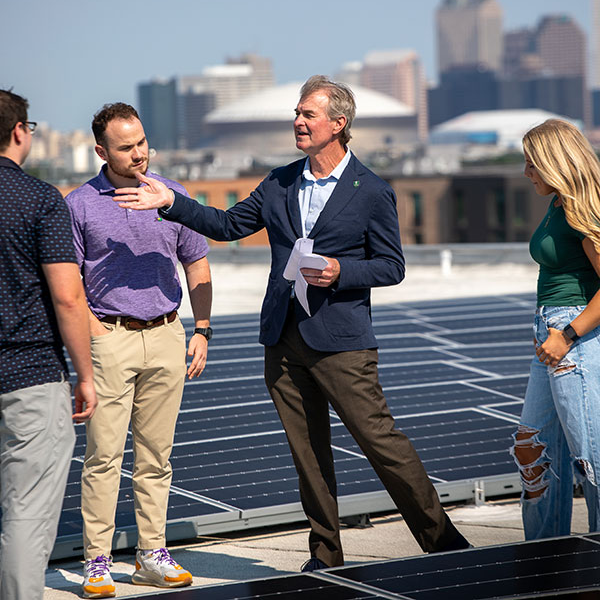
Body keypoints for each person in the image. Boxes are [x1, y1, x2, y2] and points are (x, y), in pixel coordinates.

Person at [114, 76, 470, 569]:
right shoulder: (280, 181)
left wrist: (341, 271)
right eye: (297, 113)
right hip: (283, 341)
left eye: (309, 114)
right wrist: (171, 203)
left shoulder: (372, 191)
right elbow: (227, 225)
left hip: (342, 343)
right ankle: (326, 555)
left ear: (339, 124)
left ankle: (445, 546)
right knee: (309, 457)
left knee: (382, 445)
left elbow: (392, 266)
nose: (298, 121)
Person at [66, 103, 212, 598]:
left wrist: (202, 330)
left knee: (157, 455)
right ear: (101, 151)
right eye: (127, 147)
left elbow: (197, 266)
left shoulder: (173, 196)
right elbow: (70, 284)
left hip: (169, 334)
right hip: (112, 339)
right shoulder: (80, 204)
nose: (139, 154)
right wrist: (98, 335)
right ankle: (97, 562)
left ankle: (151, 554)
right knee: (104, 456)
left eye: (143, 143)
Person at [0, 89, 97, 600]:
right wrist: (84, 375)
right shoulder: (39, 200)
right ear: (20, 131)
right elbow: (67, 297)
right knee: (26, 511)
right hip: (29, 376)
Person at [512, 118, 600, 540]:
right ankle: (545, 559)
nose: (526, 172)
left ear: (555, 162)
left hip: (574, 338)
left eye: (532, 163)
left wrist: (566, 335)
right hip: (551, 333)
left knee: (591, 459)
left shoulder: (584, 209)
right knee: (533, 450)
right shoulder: (558, 203)